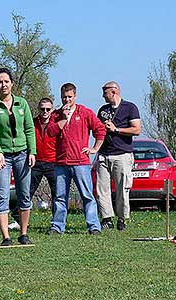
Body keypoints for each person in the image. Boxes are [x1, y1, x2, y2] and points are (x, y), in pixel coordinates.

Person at [0, 67, 36, 246]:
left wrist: (32, 151)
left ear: (12, 83)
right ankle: (6, 237)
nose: (3, 84)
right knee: (2, 194)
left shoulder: (22, 103)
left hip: (22, 154)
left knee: (24, 194)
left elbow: (29, 129)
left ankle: (24, 233)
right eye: (0, 82)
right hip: (2, 156)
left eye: (6, 81)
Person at [46, 83, 105, 234]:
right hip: (61, 163)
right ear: (61, 97)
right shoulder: (56, 114)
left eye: (70, 97)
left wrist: (94, 148)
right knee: (59, 197)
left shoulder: (85, 112)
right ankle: (57, 226)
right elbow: (50, 132)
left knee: (87, 196)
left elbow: (100, 129)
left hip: (81, 163)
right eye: (64, 97)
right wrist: (63, 120)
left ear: (75, 96)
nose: (67, 100)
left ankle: (93, 227)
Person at [96, 81, 141, 231]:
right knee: (102, 188)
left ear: (113, 92)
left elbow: (136, 130)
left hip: (122, 155)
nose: (103, 96)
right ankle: (106, 218)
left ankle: (122, 219)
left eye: (105, 93)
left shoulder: (130, 108)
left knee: (122, 189)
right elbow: (97, 130)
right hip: (103, 154)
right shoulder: (102, 110)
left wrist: (116, 130)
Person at [9, 97, 57, 230]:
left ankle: (56, 222)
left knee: (57, 193)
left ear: (52, 110)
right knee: (26, 191)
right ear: (38, 109)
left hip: (53, 162)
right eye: (42, 109)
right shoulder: (32, 122)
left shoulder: (56, 123)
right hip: (35, 161)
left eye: (48, 109)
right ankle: (19, 218)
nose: (45, 111)